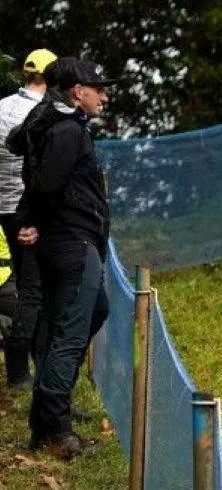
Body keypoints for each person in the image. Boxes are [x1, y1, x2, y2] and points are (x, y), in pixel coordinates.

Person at [5, 56, 115, 460]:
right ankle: (58, 431)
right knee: (69, 335)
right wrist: (30, 219)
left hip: (61, 242)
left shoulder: (51, 124)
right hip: (72, 243)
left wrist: (31, 220)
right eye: (97, 88)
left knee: (85, 315)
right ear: (77, 92)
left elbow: (22, 153)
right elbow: (48, 184)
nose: (104, 95)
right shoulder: (68, 130)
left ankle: (42, 422)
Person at [0, 48, 55, 390]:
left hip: (2, 208)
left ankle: (22, 367)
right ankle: (21, 370)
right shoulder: (44, 112)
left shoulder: (2, 106)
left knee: (22, 284)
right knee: (35, 289)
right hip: (30, 211)